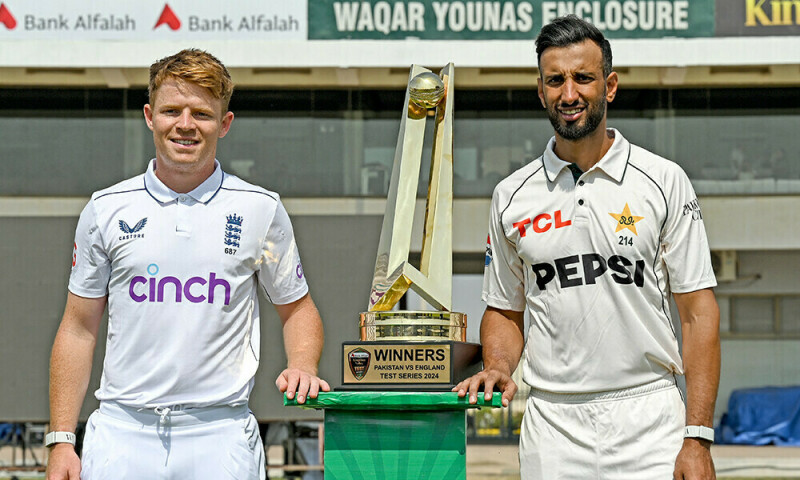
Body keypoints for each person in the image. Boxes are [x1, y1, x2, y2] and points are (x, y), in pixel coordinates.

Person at [454, 15, 721, 480]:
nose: (569, 93)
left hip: (649, 416)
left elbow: (698, 314)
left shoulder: (663, 180)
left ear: (610, 85)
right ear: (541, 91)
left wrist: (696, 436)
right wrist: (498, 364)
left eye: (583, 78)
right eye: (555, 80)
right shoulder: (511, 195)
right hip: (553, 425)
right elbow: (505, 310)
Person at [45, 49, 330, 480]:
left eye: (201, 113)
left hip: (220, 433)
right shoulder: (105, 210)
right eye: (171, 111)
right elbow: (78, 327)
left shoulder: (260, 210)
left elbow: (298, 309)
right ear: (149, 116)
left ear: (225, 123)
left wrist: (304, 365)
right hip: (123, 433)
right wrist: (62, 439)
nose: (185, 125)